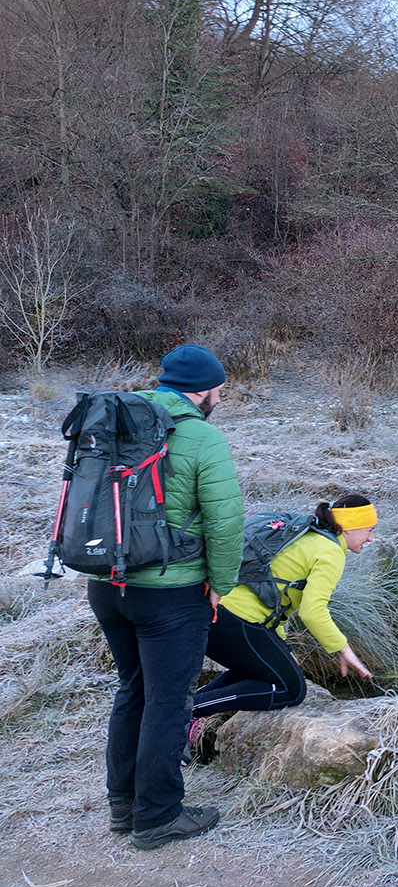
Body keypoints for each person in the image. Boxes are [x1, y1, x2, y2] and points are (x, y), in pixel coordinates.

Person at [86, 344, 244, 850]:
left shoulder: (117, 420)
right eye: (219, 390)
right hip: (170, 594)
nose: (220, 399)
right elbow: (225, 522)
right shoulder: (202, 437)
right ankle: (157, 817)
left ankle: (124, 804)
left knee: (132, 688)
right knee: (169, 701)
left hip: (107, 585)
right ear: (203, 390)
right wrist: (221, 583)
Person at [191, 495, 376, 727]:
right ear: (349, 527)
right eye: (369, 530)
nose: (371, 538)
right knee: (290, 689)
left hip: (215, 612)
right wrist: (343, 648)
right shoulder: (331, 552)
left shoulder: (309, 535)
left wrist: (283, 648)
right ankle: (187, 711)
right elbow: (312, 612)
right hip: (233, 620)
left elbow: (277, 598)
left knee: (268, 669)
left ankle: (184, 706)